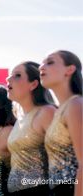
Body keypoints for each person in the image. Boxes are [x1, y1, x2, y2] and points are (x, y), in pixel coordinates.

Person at [6, 61, 56, 195]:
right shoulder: (19, 118)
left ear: (33, 84)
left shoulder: (47, 112)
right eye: (10, 75)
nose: (8, 79)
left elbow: (66, 160)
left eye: (17, 75)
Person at [40, 50, 82, 196]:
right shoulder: (61, 110)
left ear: (69, 69)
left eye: (50, 62)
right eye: (42, 63)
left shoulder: (76, 105)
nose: (41, 67)